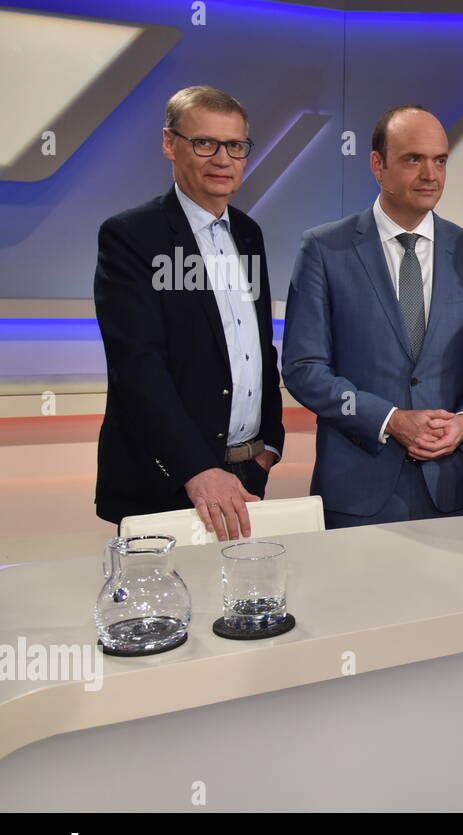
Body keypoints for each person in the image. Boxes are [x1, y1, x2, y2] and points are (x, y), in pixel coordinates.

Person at [282, 105, 463, 528]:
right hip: (356, 490)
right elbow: (304, 367)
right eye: (413, 159)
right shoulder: (324, 249)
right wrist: (389, 420)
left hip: (450, 489)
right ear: (377, 165)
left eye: (439, 160)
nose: (430, 174)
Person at [93, 86, 283, 541]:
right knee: (168, 612)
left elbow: (257, 344)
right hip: (168, 483)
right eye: (205, 143)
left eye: (235, 146)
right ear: (168, 144)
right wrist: (197, 469)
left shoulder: (249, 233)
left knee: (242, 608)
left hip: (246, 475)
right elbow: (137, 366)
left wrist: (269, 445)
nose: (223, 159)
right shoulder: (131, 236)